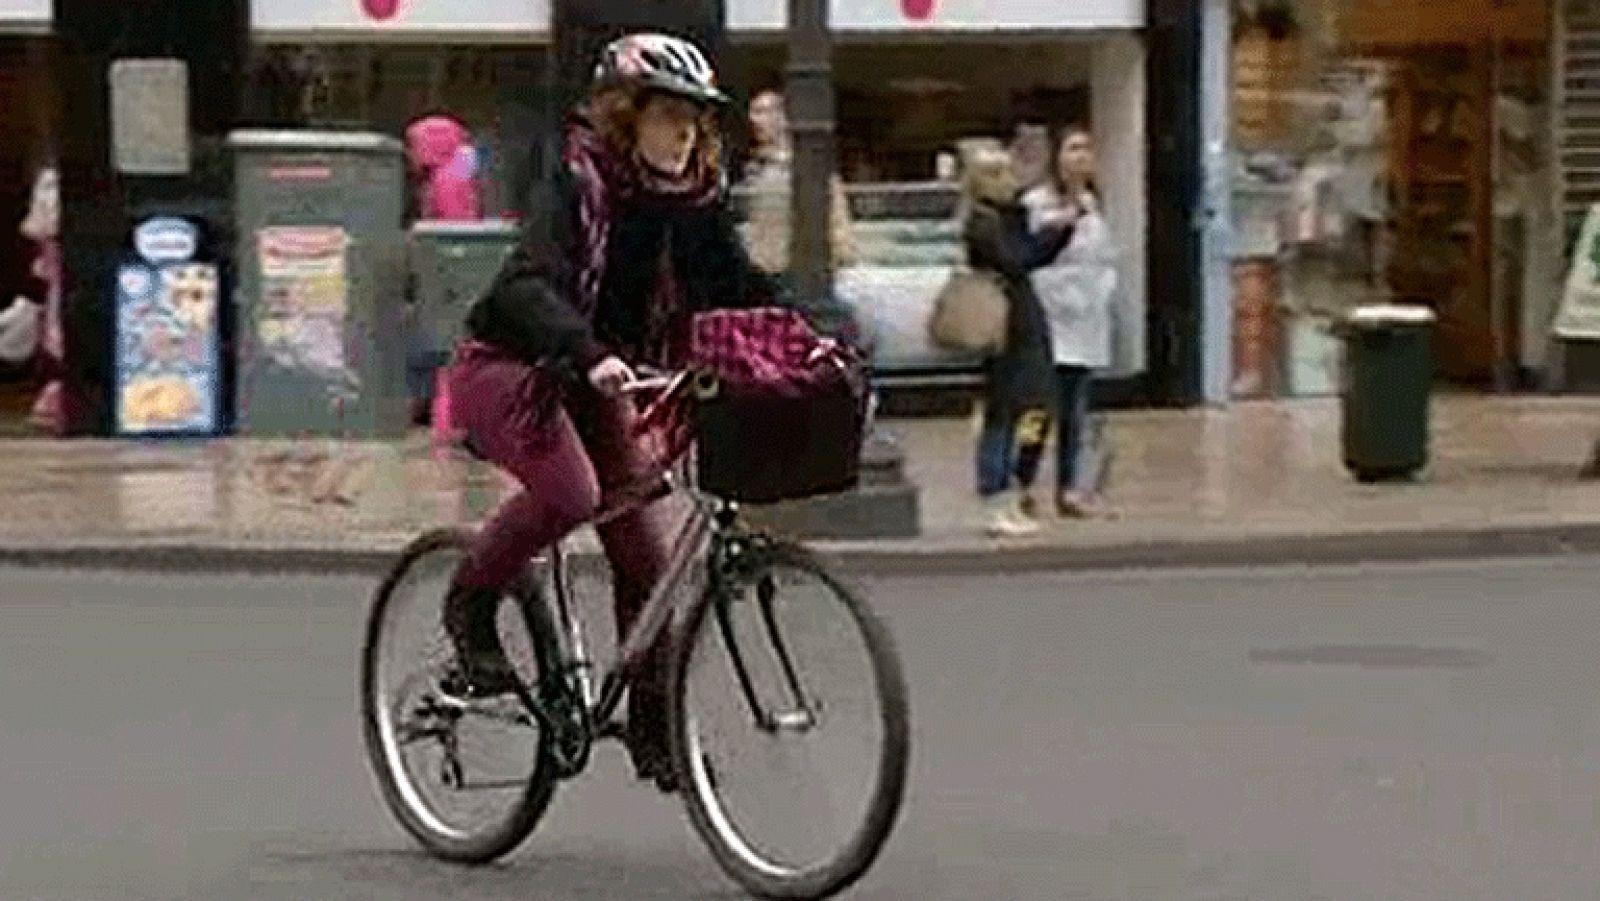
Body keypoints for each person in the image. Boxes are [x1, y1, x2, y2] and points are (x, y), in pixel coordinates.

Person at [441, 33, 774, 791]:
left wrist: (812, 337)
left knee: (648, 563)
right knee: (573, 494)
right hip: (512, 368)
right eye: (667, 115)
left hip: (602, 383)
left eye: (695, 119)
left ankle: (657, 732)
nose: (685, 132)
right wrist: (589, 352)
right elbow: (527, 286)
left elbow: (738, 284)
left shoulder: (692, 207)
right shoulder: (578, 185)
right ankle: (470, 601)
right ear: (626, 118)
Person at [959, 140, 1076, 538]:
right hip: (1003, 324)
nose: (1011, 179)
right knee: (1004, 414)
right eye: (1001, 173)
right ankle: (996, 497)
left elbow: (1031, 254)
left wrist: (1058, 232)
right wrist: (1053, 231)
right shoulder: (983, 221)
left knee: (1029, 410)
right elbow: (1017, 258)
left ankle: (1013, 491)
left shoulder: (1007, 215)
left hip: (1022, 319)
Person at [1016, 127, 1118, 519]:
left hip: (1087, 320)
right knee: (1038, 411)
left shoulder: (1093, 203)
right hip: (1050, 317)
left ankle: (1069, 488)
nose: (1081, 157)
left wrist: (1105, 290)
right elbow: (1035, 255)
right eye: (1073, 148)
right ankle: (1021, 480)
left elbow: (1102, 256)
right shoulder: (1038, 203)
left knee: (1075, 410)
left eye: (1087, 149)